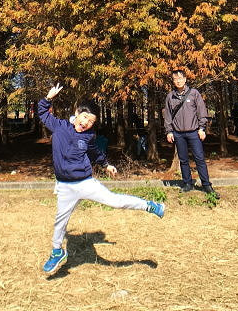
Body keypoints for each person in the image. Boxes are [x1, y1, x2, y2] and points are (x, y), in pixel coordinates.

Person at [37, 84, 164, 275]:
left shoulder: (89, 135)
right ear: (77, 113)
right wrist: (48, 98)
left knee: (115, 201)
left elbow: (95, 152)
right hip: (65, 186)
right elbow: (43, 113)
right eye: (85, 117)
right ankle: (57, 252)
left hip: (86, 182)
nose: (86, 123)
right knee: (60, 221)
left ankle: (150, 205)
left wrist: (106, 164)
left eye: (91, 121)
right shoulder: (60, 127)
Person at [163, 69, 218, 198]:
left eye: (180, 78)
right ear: (173, 81)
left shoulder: (194, 93)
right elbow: (168, 116)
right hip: (178, 134)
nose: (178, 81)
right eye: (175, 79)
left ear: (185, 79)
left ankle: (206, 185)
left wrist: (202, 128)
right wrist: (169, 131)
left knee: (199, 159)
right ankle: (187, 183)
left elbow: (201, 111)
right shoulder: (170, 96)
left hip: (194, 132)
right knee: (183, 160)